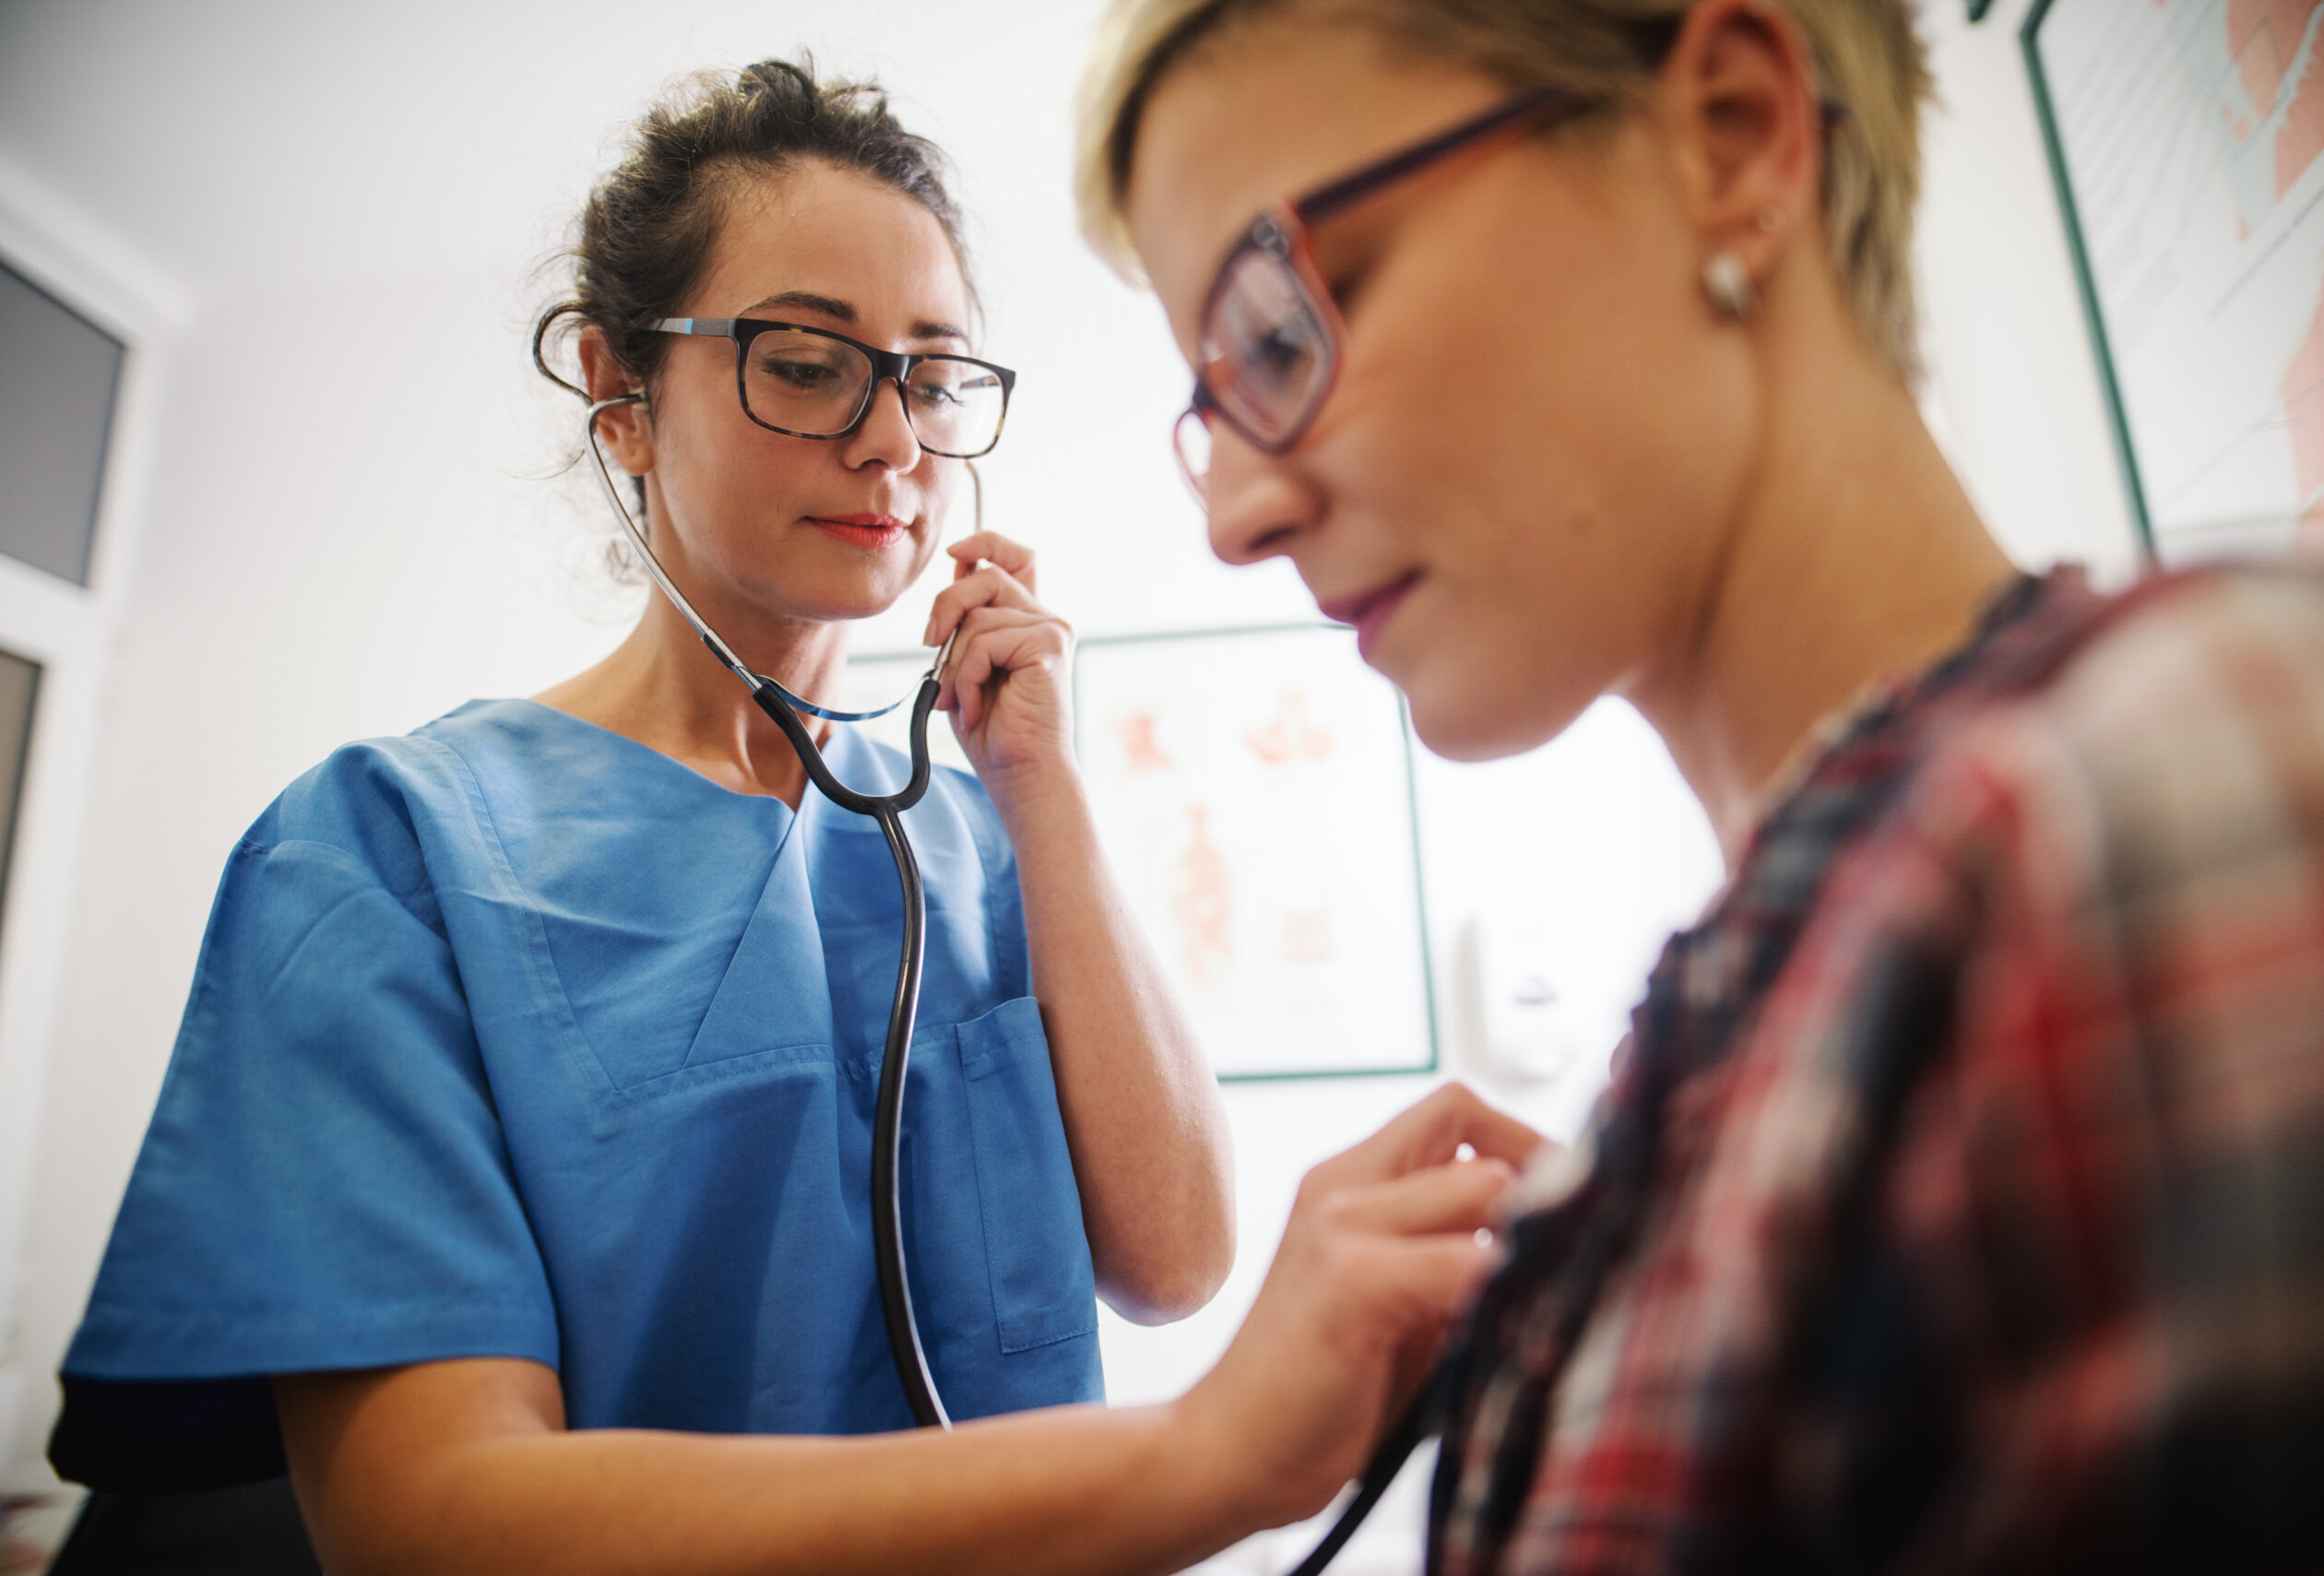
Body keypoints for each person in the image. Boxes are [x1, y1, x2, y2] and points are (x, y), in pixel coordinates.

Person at [44, 55, 1490, 1576]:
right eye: (807, 362)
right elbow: (429, 1524)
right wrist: (1193, 1465)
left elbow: (1174, 1261)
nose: (894, 443)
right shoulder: (385, 852)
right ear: (620, 395)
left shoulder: (984, 824)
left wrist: (1045, 788)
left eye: (932, 376)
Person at [1075, 0, 2324, 1570]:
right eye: (1210, 409)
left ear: (1730, 133)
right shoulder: (1762, 1008)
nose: (1237, 517)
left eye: (1279, 331)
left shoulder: (2160, 797)